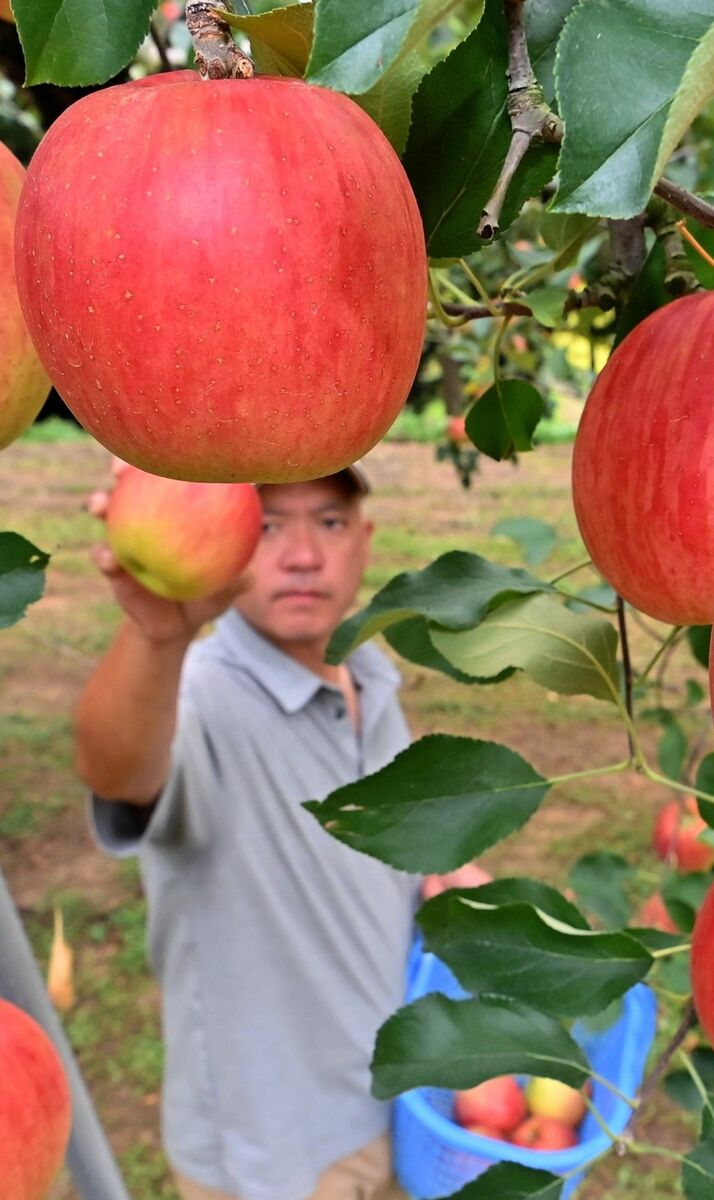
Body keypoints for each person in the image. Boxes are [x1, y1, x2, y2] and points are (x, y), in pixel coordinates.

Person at [74, 462, 485, 1200]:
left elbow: (372, 851)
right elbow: (119, 770)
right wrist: (156, 640)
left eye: (328, 522)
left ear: (365, 540)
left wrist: (442, 874)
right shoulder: (199, 697)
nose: (302, 555)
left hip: (388, 1106)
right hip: (276, 1157)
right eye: (266, 526)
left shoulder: (370, 676)